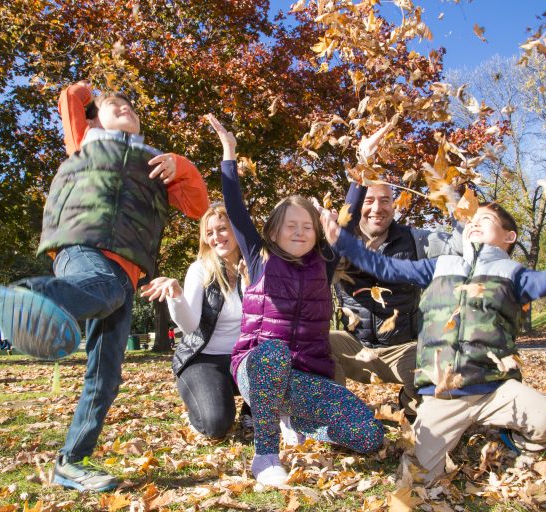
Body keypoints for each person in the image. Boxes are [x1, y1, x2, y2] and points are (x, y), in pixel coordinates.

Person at [0, 82, 209, 492]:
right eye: (116, 106)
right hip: (83, 250)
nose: (127, 109)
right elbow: (70, 101)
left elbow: (197, 206)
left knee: (106, 374)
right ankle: (21, 299)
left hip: (125, 274)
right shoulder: (87, 140)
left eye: (132, 107)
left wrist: (181, 166)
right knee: (103, 289)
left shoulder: (158, 164)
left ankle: (71, 461)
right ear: (95, 118)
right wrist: (89, 91)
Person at [321, 201, 546, 482]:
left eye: (486, 219)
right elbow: (386, 267)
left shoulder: (513, 273)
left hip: (494, 388)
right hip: (442, 394)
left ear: (509, 236)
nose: (475, 223)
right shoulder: (442, 265)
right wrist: (343, 242)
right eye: (471, 220)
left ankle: (516, 441)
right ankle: (443, 438)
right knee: (418, 478)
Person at [206, 114, 384, 487]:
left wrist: (362, 167)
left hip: (304, 377)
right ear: (273, 230)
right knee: (274, 354)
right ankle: (265, 455)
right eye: (291, 226)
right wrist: (228, 153)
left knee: (370, 436)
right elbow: (234, 207)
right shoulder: (258, 256)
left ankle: (300, 419)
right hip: (258, 368)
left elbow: (348, 220)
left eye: (308, 226)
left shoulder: (324, 262)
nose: (301, 232)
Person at [331, 181, 461, 419]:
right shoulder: (338, 243)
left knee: (441, 363)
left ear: (394, 205)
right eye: (368, 201)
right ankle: (338, 416)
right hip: (353, 347)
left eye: (385, 200)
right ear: (357, 205)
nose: (376, 208)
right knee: (315, 344)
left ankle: (411, 405)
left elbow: (461, 247)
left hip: (403, 349)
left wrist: (456, 201)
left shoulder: (416, 240)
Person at [141, 202, 252, 439]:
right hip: (203, 359)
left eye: (222, 229)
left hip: (243, 359)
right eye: (209, 233)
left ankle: (250, 413)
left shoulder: (254, 266)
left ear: (237, 229)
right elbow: (190, 326)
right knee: (216, 425)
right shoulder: (200, 269)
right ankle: (202, 401)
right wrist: (176, 297)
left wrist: (249, 283)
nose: (216, 237)